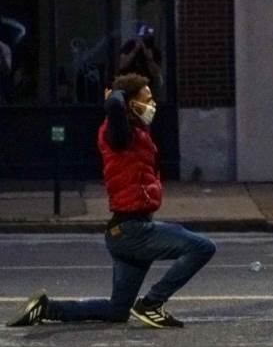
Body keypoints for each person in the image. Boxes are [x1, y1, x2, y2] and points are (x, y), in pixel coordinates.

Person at [6, 73, 216, 329]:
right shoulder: (118, 134)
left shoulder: (133, 132)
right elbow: (115, 105)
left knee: (117, 311)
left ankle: (46, 308)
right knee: (202, 247)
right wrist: (115, 95)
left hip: (122, 233)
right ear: (130, 104)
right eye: (146, 99)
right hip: (134, 232)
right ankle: (152, 304)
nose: (153, 105)